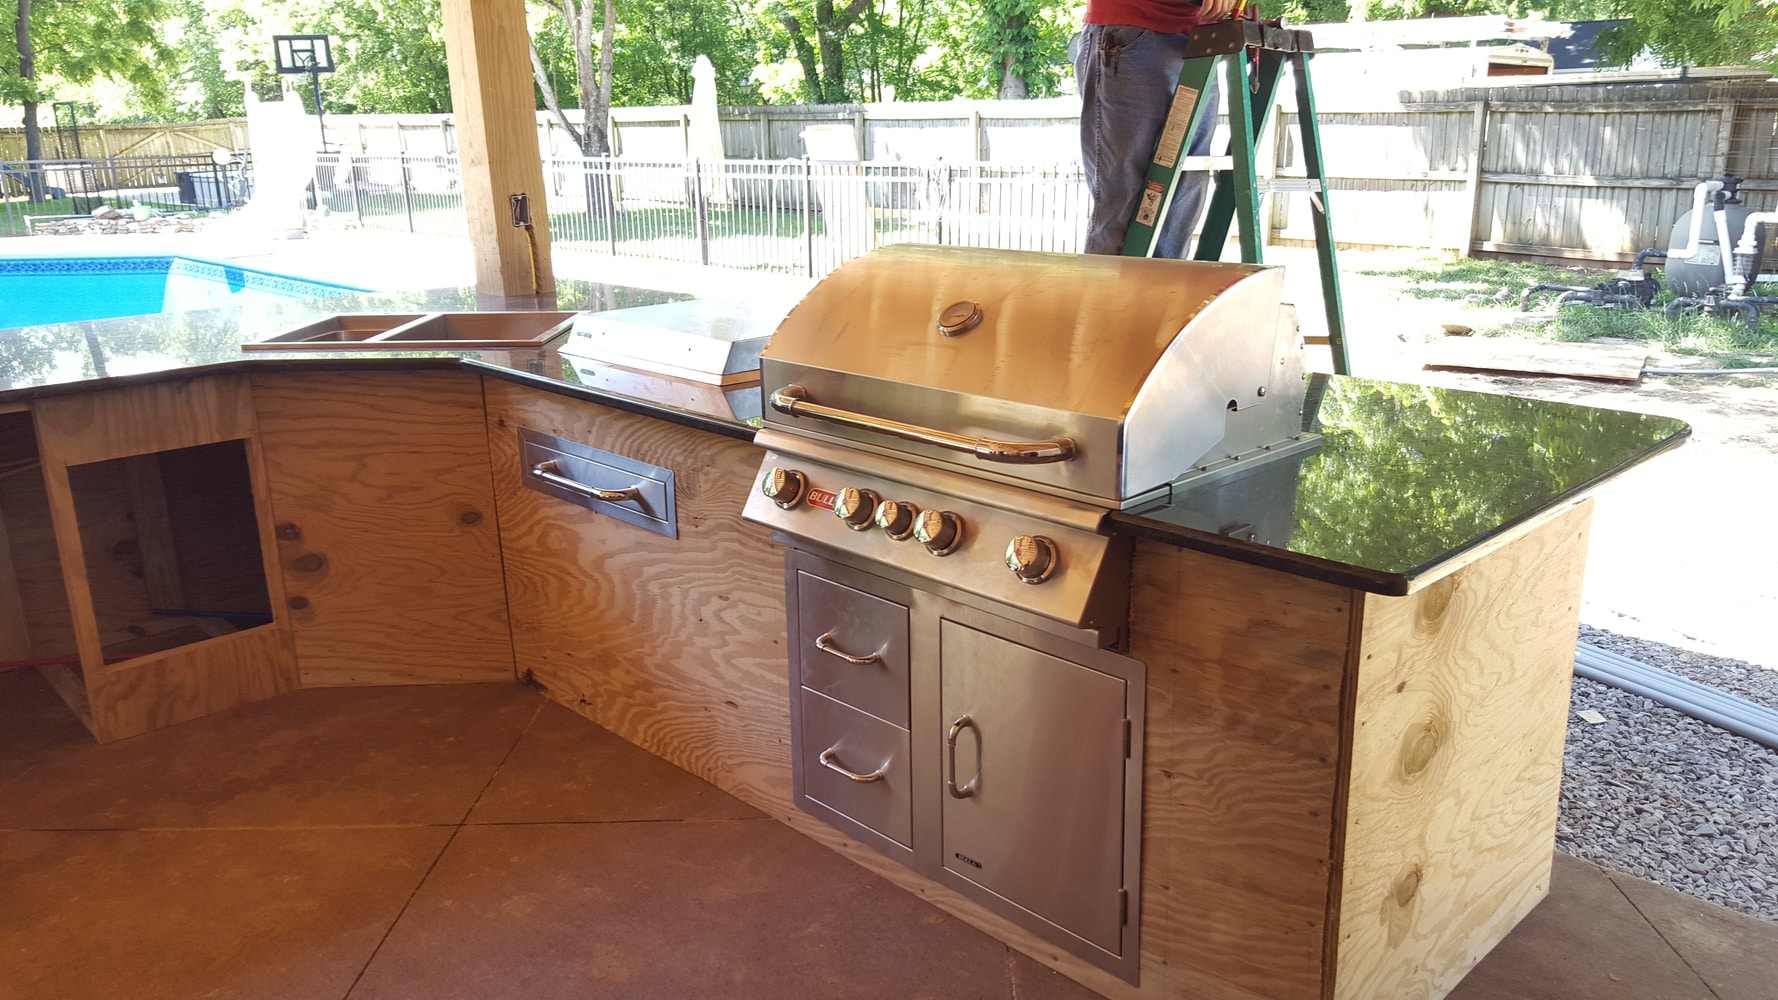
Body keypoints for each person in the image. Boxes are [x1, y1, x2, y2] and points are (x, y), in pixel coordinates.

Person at [1074, 0, 1238, 258]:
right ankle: (1108, 297)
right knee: (1124, 208)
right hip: (1136, 27)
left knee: (1181, 202)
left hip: (1197, 42)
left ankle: (1161, 297)